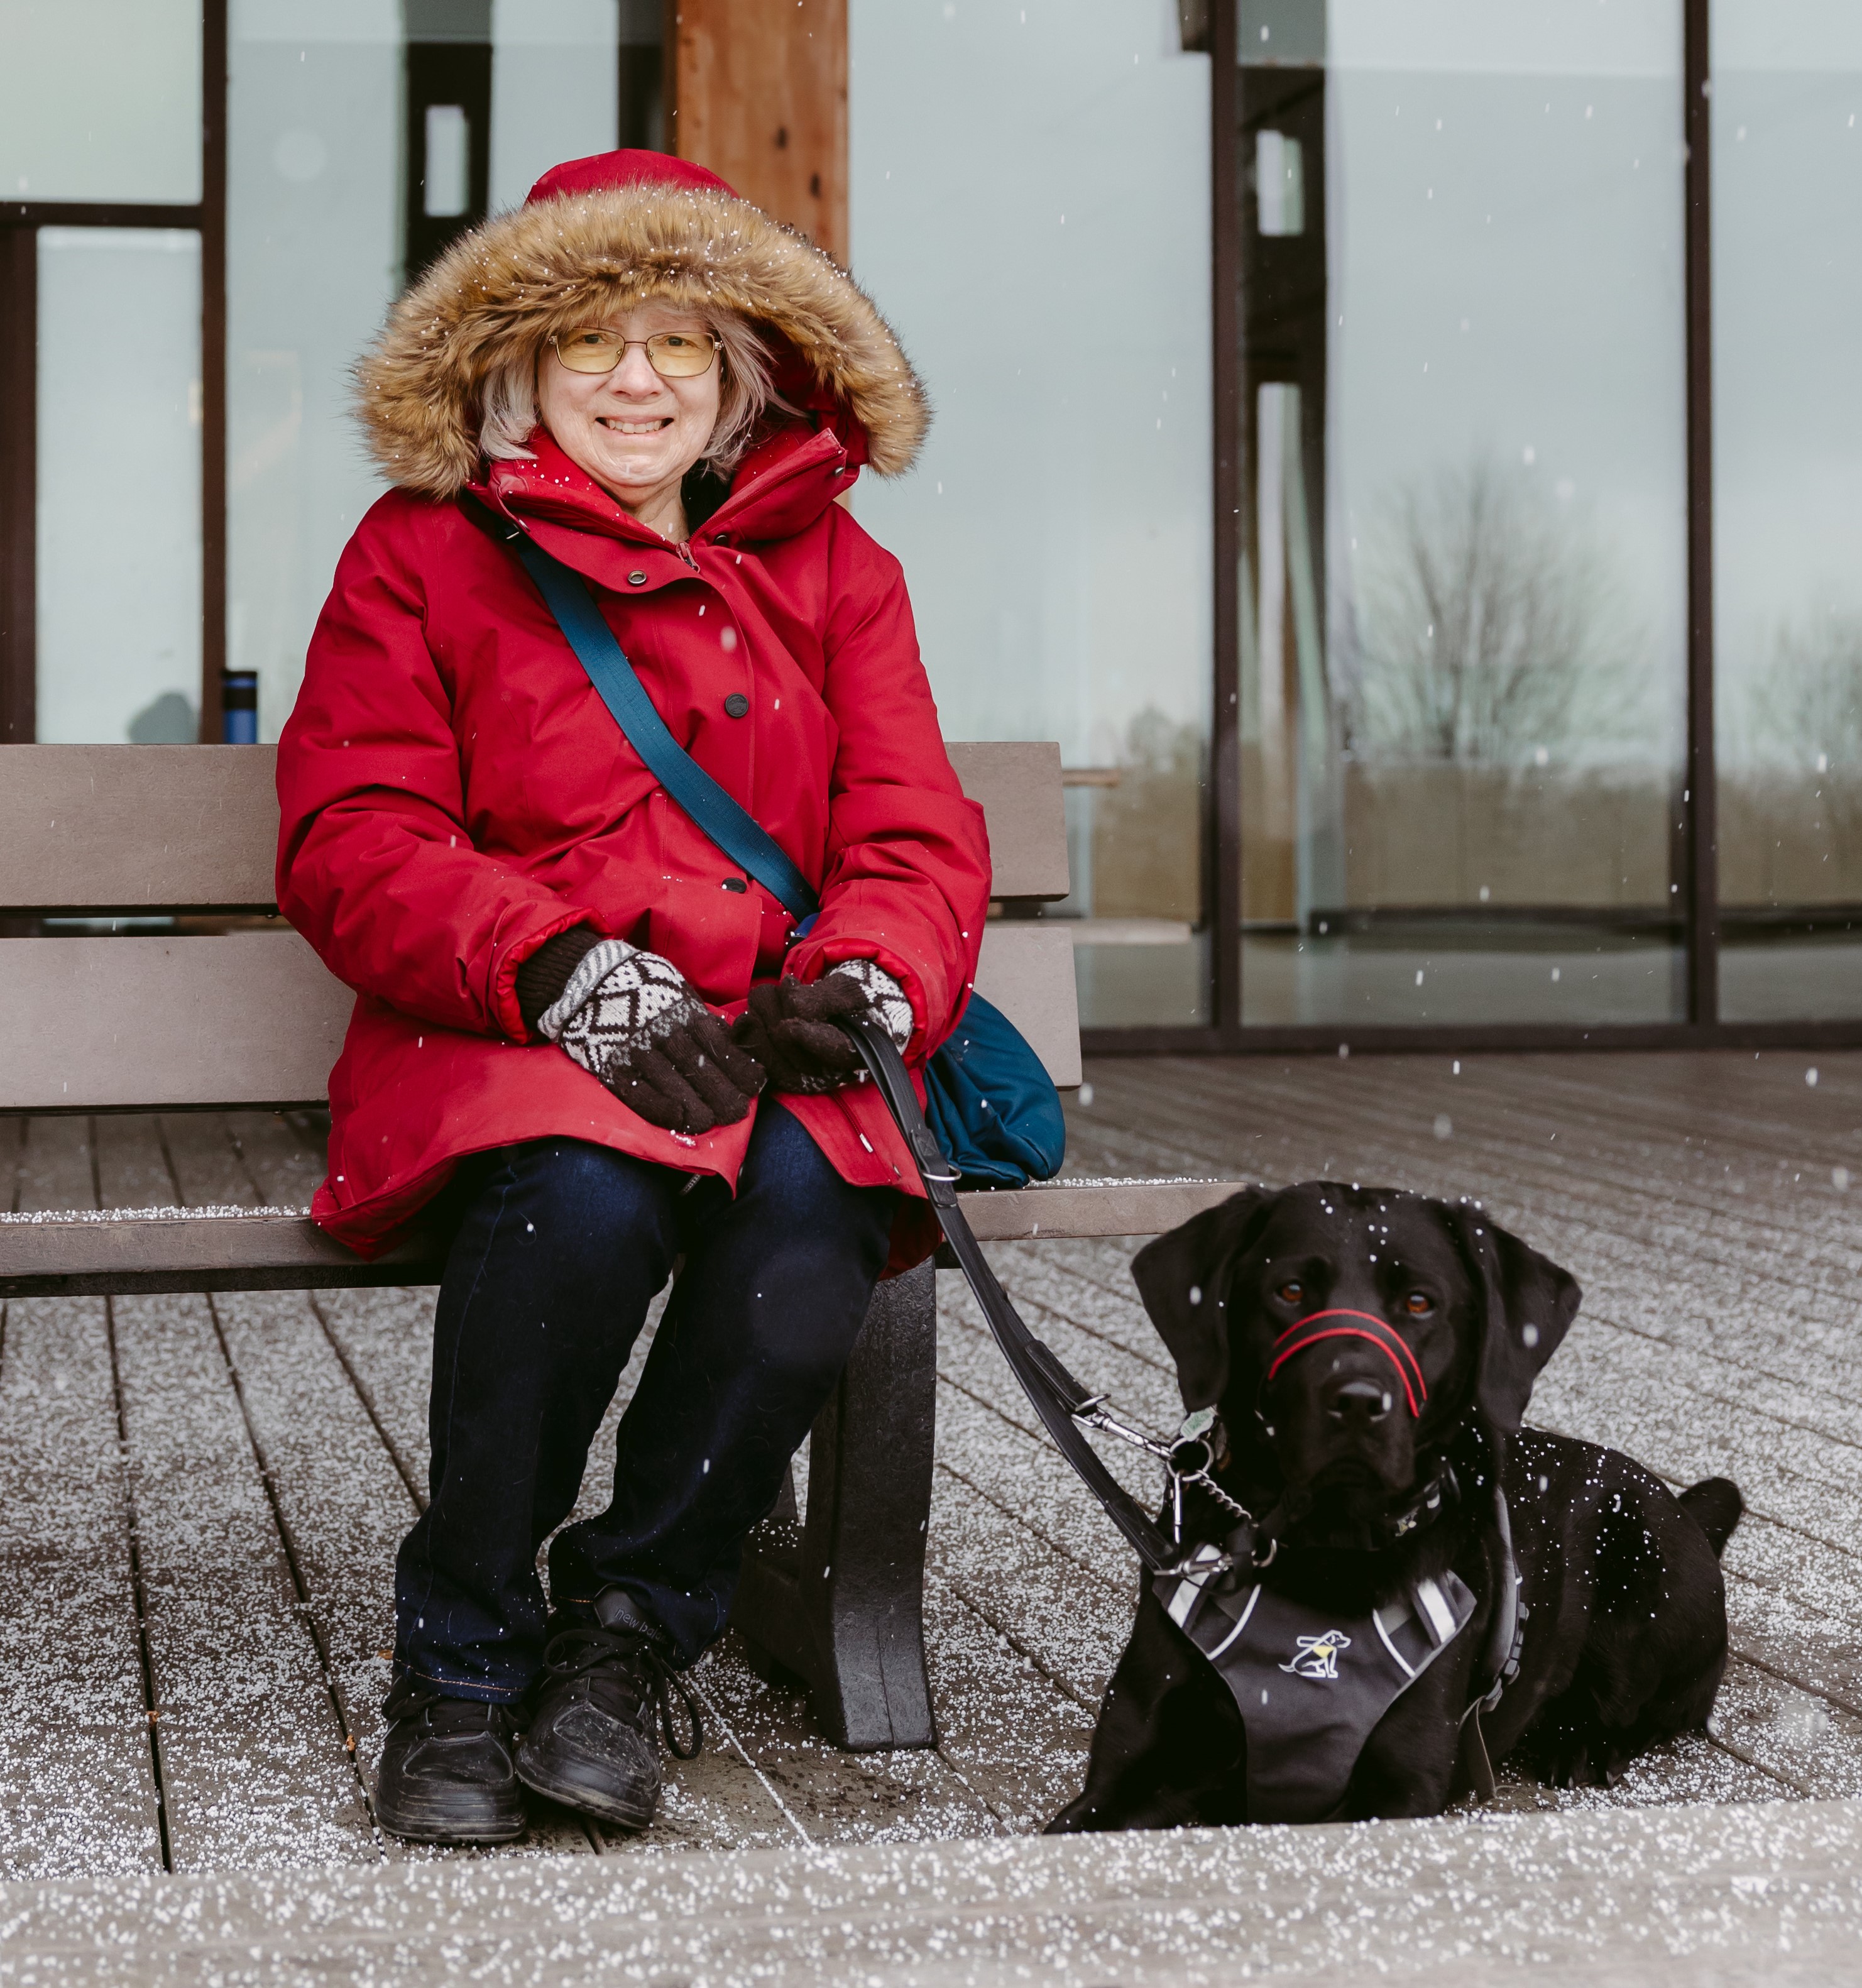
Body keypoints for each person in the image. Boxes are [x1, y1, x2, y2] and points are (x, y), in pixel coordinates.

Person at [275, 149, 989, 1844]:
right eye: (591, 337)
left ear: (742, 370)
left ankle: (625, 1632)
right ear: (517, 365)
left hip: (771, 1032)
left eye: (680, 339)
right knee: (585, 1193)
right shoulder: (422, 554)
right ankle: (458, 1658)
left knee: (822, 1201)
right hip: (516, 1026)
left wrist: (872, 979)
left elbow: (909, 825)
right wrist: (559, 967)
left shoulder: (834, 572)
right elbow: (353, 827)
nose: (636, 377)